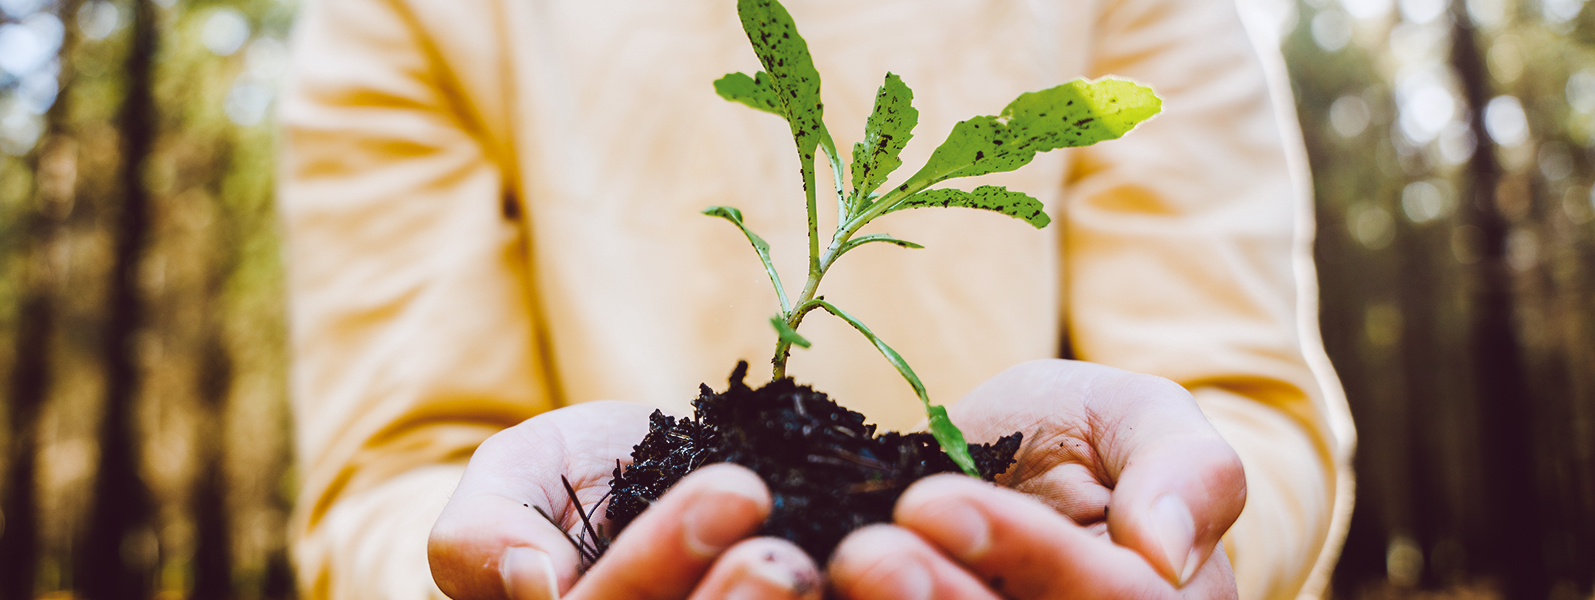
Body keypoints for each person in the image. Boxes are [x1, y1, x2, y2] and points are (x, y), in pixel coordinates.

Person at [278, 0, 1356, 598]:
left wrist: (1168, 543)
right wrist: (503, 571)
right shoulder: (409, 15)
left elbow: (1238, 405)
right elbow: (395, 471)